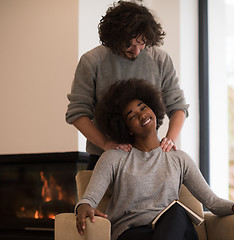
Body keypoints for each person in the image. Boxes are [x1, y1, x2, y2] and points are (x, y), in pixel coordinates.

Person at [75, 79, 234, 240]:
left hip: (174, 230)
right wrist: (83, 207)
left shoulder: (179, 158)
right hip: (133, 234)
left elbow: (212, 201)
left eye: (143, 107)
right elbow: (89, 199)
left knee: (176, 213)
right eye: (132, 116)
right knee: (176, 216)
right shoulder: (114, 158)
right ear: (125, 127)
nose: (142, 114)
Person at [65, 1, 189, 169]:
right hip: (105, 158)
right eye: (129, 44)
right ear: (114, 38)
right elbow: (77, 113)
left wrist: (169, 140)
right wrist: (106, 144)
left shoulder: (160, 59)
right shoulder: (93, 61)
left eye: (142, 43)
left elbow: (178, 107)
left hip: (149, 158)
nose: (136, 51)